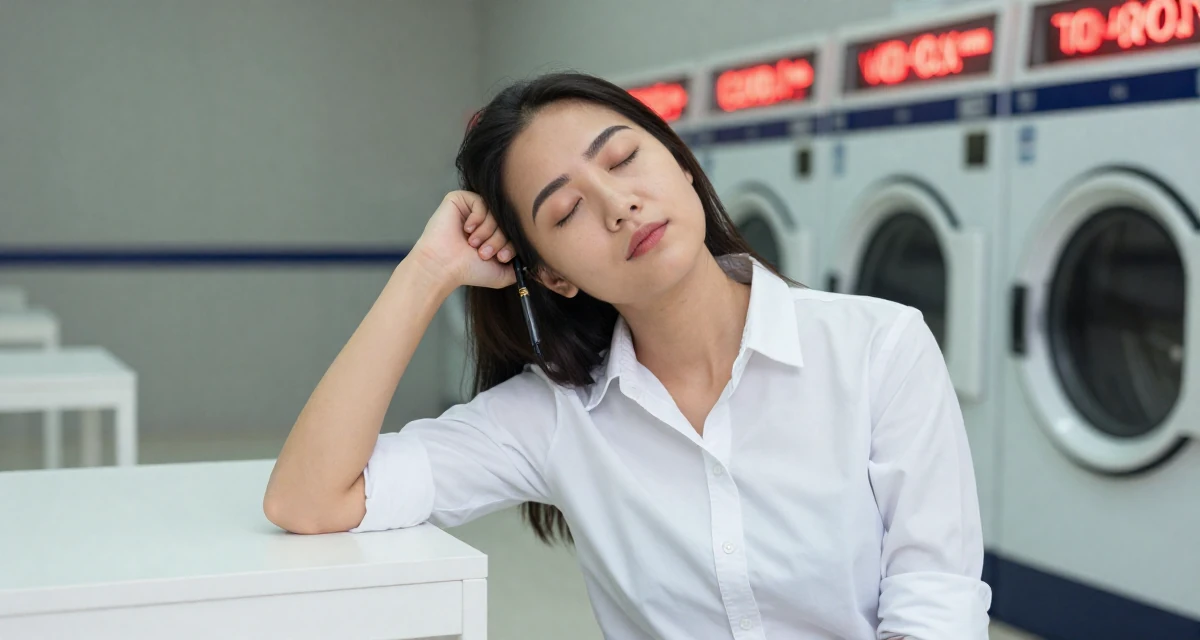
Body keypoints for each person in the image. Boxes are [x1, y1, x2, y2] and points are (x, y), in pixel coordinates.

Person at [263, 72, 991, 639]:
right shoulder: (554, 416)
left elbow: (936, 602)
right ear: (553, 275)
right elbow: (309, 499)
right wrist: (427, 271)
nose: (618, 204)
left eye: (623, 158)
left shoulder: (878, 347)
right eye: (566, 211)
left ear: (682, 163)